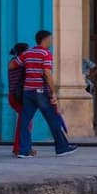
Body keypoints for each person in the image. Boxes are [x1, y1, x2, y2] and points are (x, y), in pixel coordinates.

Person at [15, 30, 75, 158]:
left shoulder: (27, 53)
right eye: (51, 39)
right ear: (45, 39)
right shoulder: (45, 53)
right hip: (40, 92)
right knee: (53, 119)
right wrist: (53, 92)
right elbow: (47, 73)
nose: (52, 41)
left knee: (25, 121)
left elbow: (13, 65)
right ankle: (62, 148)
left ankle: (24, 151)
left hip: (27, 91)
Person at [6, 43, 29, 156]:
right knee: (25, 123)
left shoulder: (14, 61)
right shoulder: (19, 63)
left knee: (24, 122)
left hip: (14, 96)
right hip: (18, 97)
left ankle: (20, 147)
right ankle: (20, 148)